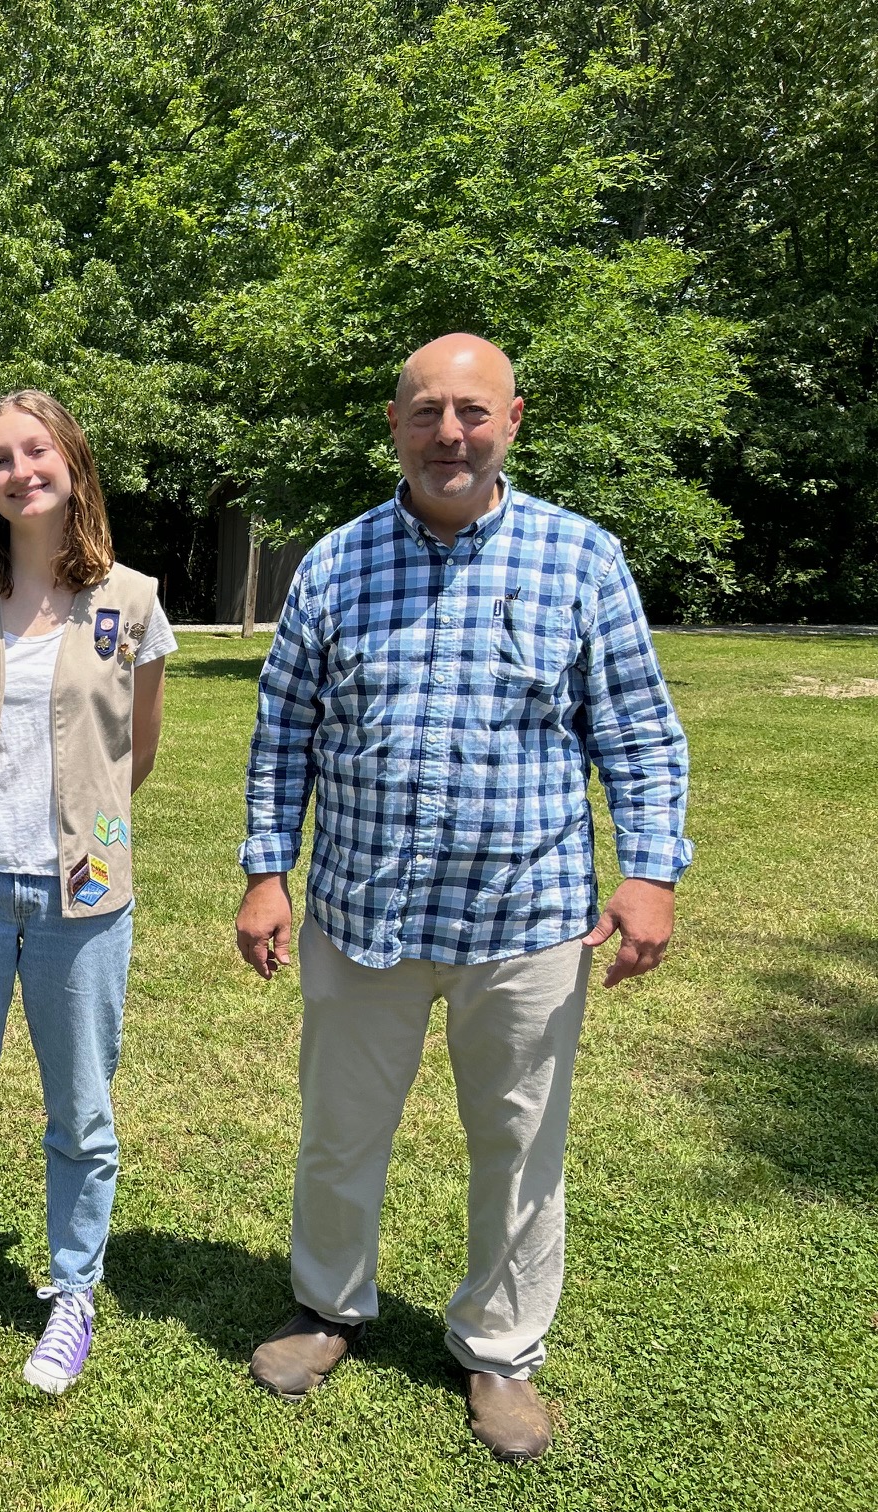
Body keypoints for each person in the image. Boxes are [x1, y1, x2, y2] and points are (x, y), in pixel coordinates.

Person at [234, 334, 691, 1459]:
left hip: (524, 922)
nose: (451, 433)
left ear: (514, 421)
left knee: (521, 1146)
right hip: (362, 917)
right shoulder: (335, 566)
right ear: (394, 425)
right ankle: (330, 1305)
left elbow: (636, 727)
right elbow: (281, 732)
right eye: (428, 411)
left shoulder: (581, 559)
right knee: (342, 1136)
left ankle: (500, 1350)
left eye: (473, 412)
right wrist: (263, 871)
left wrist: (650, 871)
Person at [0, 389, 175, 1395]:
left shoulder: (131, 602)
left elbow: (132, 751)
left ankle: (72, 1295)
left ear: (73, 463)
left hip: (81, 892)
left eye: (36, 451)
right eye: (0, 458)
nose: (20, 471)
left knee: (82, 1108)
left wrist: (75, 826)